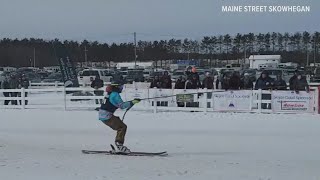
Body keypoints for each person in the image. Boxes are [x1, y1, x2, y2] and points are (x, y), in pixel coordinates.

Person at [98, 83, 141, 153]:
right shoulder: (115, 94)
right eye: (121, 87)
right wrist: (132, 102)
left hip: (103, 116)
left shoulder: (110, 93)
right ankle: (119, 145)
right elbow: (122, 106)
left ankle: (119, 144)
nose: (121, 88)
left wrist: (132, 102)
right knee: (122, 127)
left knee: (120, 126)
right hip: (107, 116)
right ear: (116, 87)